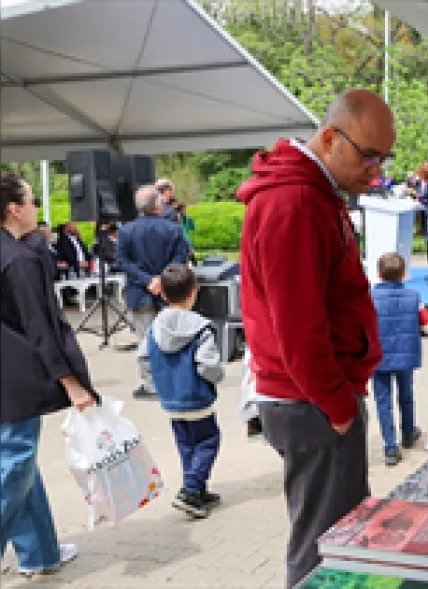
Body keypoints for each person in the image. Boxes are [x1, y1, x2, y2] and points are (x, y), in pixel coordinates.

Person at [237, 88, 392, 587]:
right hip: (313, 401)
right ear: (330, 139)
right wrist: (339, 405)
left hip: (315, 398)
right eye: (369, 157)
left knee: (336, 536)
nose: (377, 172)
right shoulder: (296, 201)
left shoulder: (311, 193)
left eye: (384, 159)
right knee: (325, 546)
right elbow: (298, 328)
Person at [1, 172, 97, 575]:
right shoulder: (19, 259)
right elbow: (40, 327)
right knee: (14, 464)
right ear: (14, 209)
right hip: (15, 379)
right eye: (33, 201)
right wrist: (72, 383)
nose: (38, 210)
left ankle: (41, 552)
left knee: (20, 466)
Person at [137, 264, 224, 517]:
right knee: (208, 441)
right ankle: (190, 489)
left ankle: (197, 489)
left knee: (186, 445)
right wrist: (217, 377)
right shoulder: (201, 327)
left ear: (162, 294)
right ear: (194, 292)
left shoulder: (154, 327)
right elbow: (208, 365)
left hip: (171, 400)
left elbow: (143, 358)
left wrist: (158, 383)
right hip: (197, 398)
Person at [371, 253, 428, 466]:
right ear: (404, 274)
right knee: (406, 396)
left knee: (383, 402)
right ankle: (409, 433)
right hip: (406, 354)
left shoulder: (369, 298)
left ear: (378, 274)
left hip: (378, 358)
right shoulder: (414, 297)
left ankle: (390, 447)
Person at [116, 185, 189, 399]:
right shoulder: (173, 229)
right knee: (172, 338)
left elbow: (122, 261)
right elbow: (180, 257)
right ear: (158, 204)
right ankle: (174, 382)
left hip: (140, 291)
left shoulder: (126, 231)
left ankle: (150, 385)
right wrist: (163, 279)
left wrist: (147, 280)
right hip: (170, 291)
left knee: (146, 340)